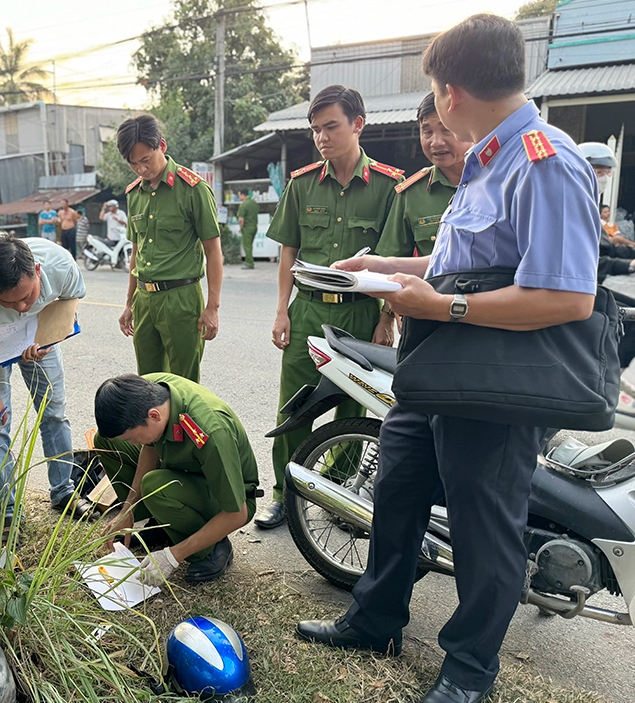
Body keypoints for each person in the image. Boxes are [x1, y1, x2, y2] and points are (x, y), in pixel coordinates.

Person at [295, 16, 601, 703]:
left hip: (495, 385)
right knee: (396, 493)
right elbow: (458, 265)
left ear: (452, 91)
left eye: (435, 91)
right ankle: (374, 620)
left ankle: (468, 671)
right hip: (435, 371)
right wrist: (380, 266)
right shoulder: (488, 157)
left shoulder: (545, 161)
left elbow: (567, 297)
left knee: (484, 528)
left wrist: (445, 308)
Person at [257, 85, 402, 530]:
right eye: (315, 129)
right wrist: (282, 310)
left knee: (354, 407)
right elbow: (288, 253)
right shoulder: (302, 185)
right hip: (308, 312)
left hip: (360, 312)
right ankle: (285, 491)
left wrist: (386, 318)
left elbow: (395, 259)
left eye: (331, 126)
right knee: (294, 406)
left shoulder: (389, 186)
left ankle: (339, 493)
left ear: (358, 124)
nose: (322, 137)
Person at [0, 234, 94, 541]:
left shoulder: (60, 264)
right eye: (8, 302)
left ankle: (64, 491)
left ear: (38, 271)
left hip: (40, 336)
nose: (19, 307)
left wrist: (46, 337)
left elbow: (70, 303)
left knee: (54, 411)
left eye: (28, 296)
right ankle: (7, 511)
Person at [94, 373, 259, 585]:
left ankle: (212, 548)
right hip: (186, 473)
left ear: (154, 416)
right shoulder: (149, 392)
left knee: (156, 485)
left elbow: (237, 513)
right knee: (106, 442)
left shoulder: (210, 430)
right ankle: (164, 525)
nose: (134, 443)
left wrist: (172, 557)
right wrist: (128, 509)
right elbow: (150, 446)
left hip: (232, 499)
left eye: (133, 437)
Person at [115, 114, 223, 383]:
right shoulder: (134, 195)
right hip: (144, 300)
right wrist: (129, 303)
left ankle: (182, 427)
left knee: (183, 383)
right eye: (133, 164)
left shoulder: (193, 189)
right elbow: (136, 253)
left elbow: (213, 251)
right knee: (147, 383)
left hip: (180, 299)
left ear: (161, 146)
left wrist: (212, 307)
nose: (141, 169)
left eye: (146, 160)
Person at [378, 92, 474, 259]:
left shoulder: (497, 180)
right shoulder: (412, 194)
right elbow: (391, 261)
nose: (436, 142)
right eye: (427, 132)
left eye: (446, 130)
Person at [581, 143, 635, 368]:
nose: (603, 178)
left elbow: (609, 248)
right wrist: (628, 265)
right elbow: (591, 262)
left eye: (606, 172)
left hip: (593, 288)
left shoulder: (589, 206)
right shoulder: (574, 206)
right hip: (577, 291)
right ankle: (610, 372)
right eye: (598, 171)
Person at [237, 188, 259, 269]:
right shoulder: (254, 203)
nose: (239, 197)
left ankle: (249, 264)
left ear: (243, 195)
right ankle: (250, 261)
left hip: (247, 227)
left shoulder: (244, 204)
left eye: (239, 195)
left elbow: (241, 219)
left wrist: (241, 228)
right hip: (254, 226)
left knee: (247, 246)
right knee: (250, 245)